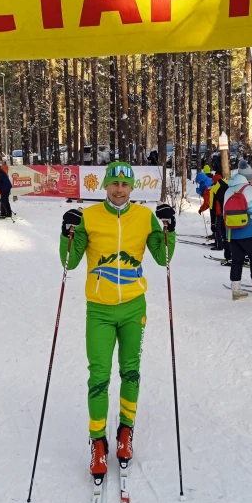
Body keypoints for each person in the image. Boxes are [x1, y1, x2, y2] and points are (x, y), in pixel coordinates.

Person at [59, 161, 176, 477]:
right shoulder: (91, 217)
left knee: (131, 372)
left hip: (133, 309)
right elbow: (69, 261)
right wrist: (66, 233)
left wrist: (169, 230)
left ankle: (125, 432)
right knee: (98, 377)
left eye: (125, 185)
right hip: (99, 310)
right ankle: (98, 443)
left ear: (132, 188)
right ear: (105, 186)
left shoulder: (143, 217)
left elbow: (163, 257)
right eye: (114, 184)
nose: (119, 190)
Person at [223, 161, 252, 300]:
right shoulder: (247, 189)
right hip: (247, 230)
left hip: (231, 231)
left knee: (237, 260)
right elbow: (251, 209)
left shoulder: (228, 189)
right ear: (248, 178)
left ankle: (236, 291)